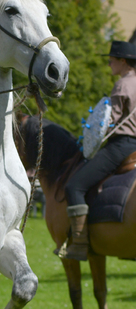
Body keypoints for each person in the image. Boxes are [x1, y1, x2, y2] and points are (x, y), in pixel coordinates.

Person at [62, 40, 136, 261]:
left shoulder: (123, 84)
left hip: (121, 146)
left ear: (123, 61)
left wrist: (89, 137)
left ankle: (79, 244)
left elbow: (107, 122)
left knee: (74, 186)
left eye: (112, 60)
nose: (109, 64)